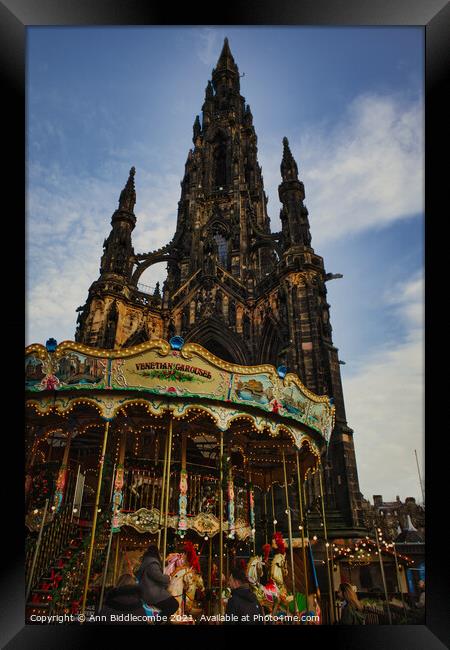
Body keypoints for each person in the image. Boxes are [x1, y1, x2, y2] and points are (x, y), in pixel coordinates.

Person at [135, 544, 179, 623]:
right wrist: (167, 577)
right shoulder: (152, 563)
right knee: (174, 604)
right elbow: (158, 576)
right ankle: (157, 621)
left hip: (149, 591)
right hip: (152, 594)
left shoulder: (146, 561)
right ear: (156, 553)